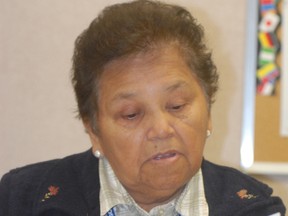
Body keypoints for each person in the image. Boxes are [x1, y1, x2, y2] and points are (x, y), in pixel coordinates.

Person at [0, 0, 286, 215]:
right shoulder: (21, 201)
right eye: (131, 114)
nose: (161, 130)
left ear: (208, 109)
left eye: (177, 105)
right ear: (93, 129)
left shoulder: (256, 209)